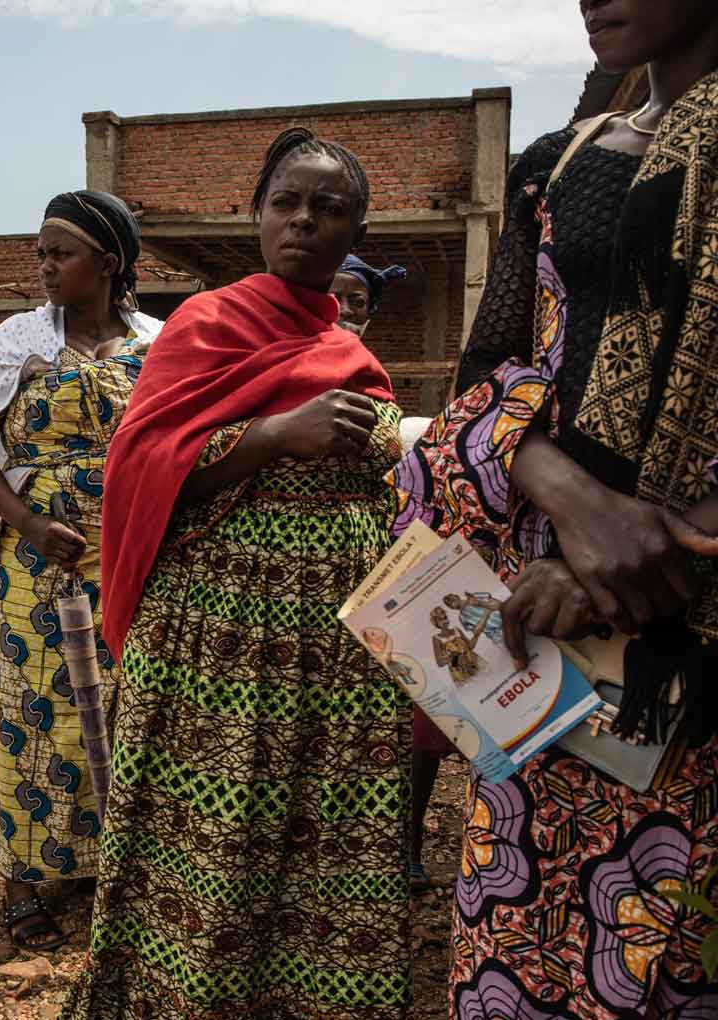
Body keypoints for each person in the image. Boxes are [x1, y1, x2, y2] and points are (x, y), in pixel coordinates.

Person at [388, 2, 718, 1015]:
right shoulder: (555, 166)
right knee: (522, 937)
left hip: (687, 643)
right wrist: (573, 500)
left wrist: (654, 544)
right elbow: (488, 372)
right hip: (545, 641)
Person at [67, 128, 409, 1020]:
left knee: (325, 824)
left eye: (328, 208)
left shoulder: (348, 346)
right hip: (221, 638)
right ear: (257, 215)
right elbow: (139, 464)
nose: (304, 221)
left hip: (339, 644)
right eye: (286, 203)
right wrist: (268, 436)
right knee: (222, 827)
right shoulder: (208, 323)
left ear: (354, 227)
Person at [0, 190, 163, 952]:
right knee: (38, 713)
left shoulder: (158, 344)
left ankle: (107, 864)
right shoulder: (18, 341)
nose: (43, 267)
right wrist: (30, 522)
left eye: (58, 254)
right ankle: (27, 876)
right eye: (39, 252)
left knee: (128, 709)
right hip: (38, 562)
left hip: (132, 555)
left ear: (107, 264)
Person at [332, 252, 449, 887]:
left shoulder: (377, 388)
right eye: (337, 296)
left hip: (389, 565)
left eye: (359, 302)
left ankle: (402, 846)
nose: (348, 310)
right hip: (319, 569)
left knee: (416, 715)